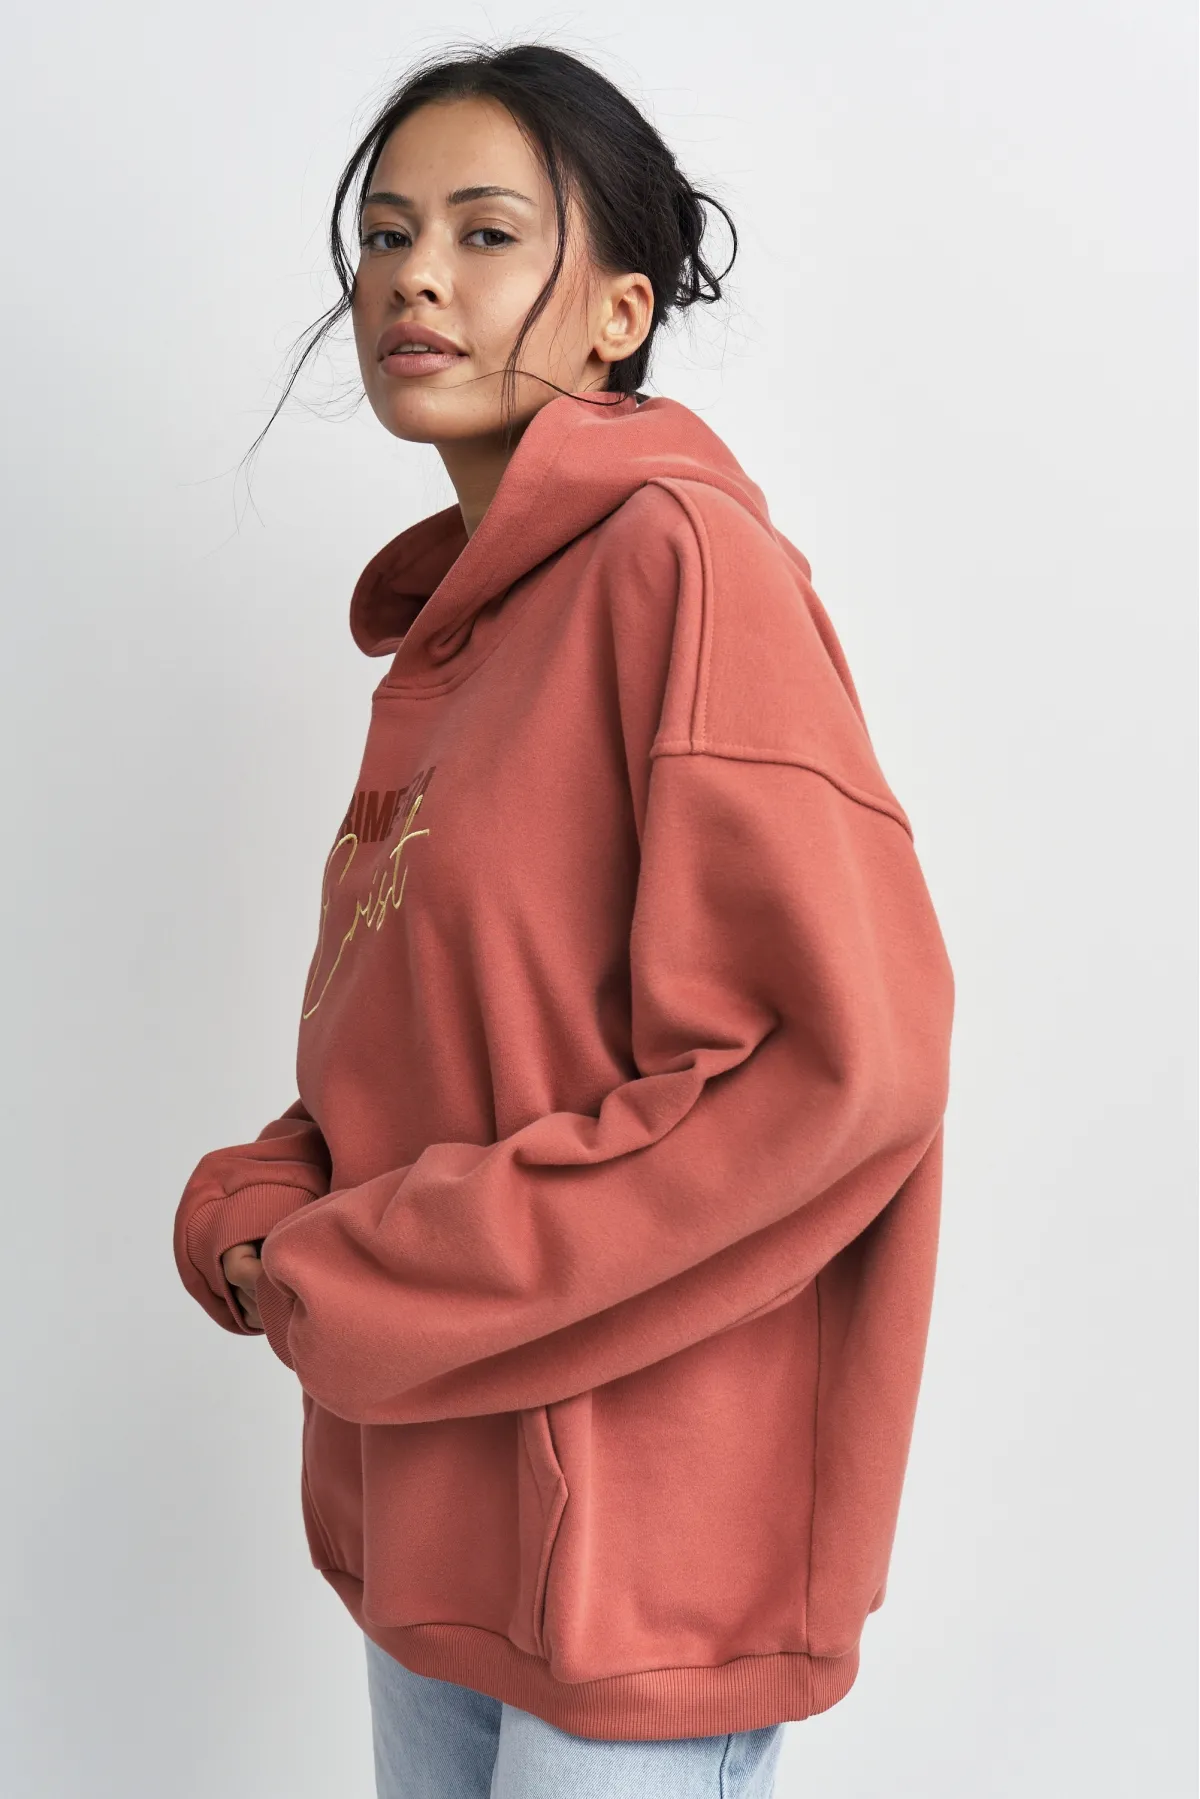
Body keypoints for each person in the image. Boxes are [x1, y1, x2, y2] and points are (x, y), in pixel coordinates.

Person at [172, 38, 955, 1799]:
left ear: (618, 312)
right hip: (435, 1528)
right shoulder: (459, 645)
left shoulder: (683, 566)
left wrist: (361, 1269)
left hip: (643, 1566)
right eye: (386, 234)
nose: (413, 277)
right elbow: (432, 1059)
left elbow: (839, 1063)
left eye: (486, 232)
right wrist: (264, 1200)